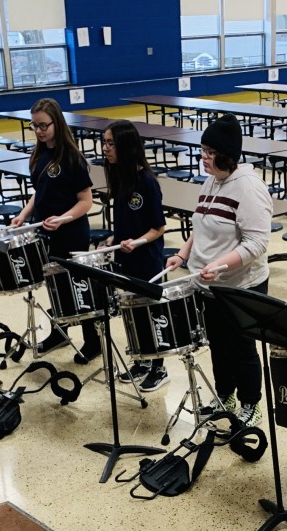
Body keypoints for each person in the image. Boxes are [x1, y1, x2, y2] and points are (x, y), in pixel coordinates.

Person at [163, 114, 272, 427]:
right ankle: (224, 394)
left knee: (241, 347)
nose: (203, 157)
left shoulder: (249, 189)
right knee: (218, 345)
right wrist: (183, 254)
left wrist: (221, 264)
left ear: (227, 155)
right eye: (202, 150)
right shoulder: (211, 182)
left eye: (210, 152)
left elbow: (256, 244)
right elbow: (201, 225)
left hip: (241, 286)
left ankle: (251, 402)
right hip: (207, 284)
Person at [10, 98, 98, 364]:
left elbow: (86, 201)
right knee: (55, 285)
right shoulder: (38, 156)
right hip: (46, 233)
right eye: (34, 126)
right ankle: (60, 331)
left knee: (77, 287)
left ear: (57, 123)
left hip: (71, 233)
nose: (39, 131)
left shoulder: (72, 158)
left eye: (43, 125)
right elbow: (41, 192)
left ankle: (93, 341)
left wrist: (63, 218)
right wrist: (24, 215)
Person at [102, 120, 169, 392]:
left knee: (152, 313)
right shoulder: (120, 177)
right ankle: (142, 359)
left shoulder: (147, 182)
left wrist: (137, 242)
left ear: (126, 147)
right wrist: (112, 240)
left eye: (110, 143)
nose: (105, 148)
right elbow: (124, 221)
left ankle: (159, 367)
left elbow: (158, 227)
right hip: (126, 257)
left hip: (147, 259)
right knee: (133, 311)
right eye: (104, 142)